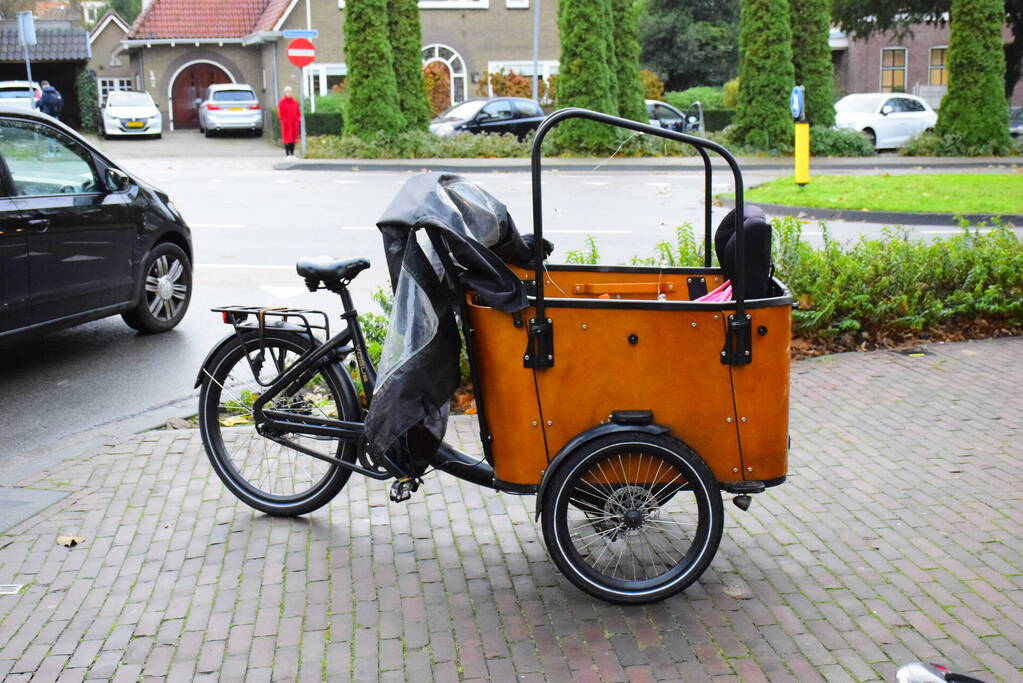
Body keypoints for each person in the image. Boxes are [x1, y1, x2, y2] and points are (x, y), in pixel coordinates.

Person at [277, 86, 301, 157]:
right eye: (287, 92)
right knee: (287, 139)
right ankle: (288, 154)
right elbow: (280, 113)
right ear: (284, 93)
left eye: (290, 92)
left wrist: (298, 119)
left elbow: (297, 112)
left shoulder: (294, 101)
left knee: (293, 139)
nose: (289, 93)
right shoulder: (282, 102)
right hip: (286, 124)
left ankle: (292, 154)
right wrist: (284, 121)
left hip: (294, 123)